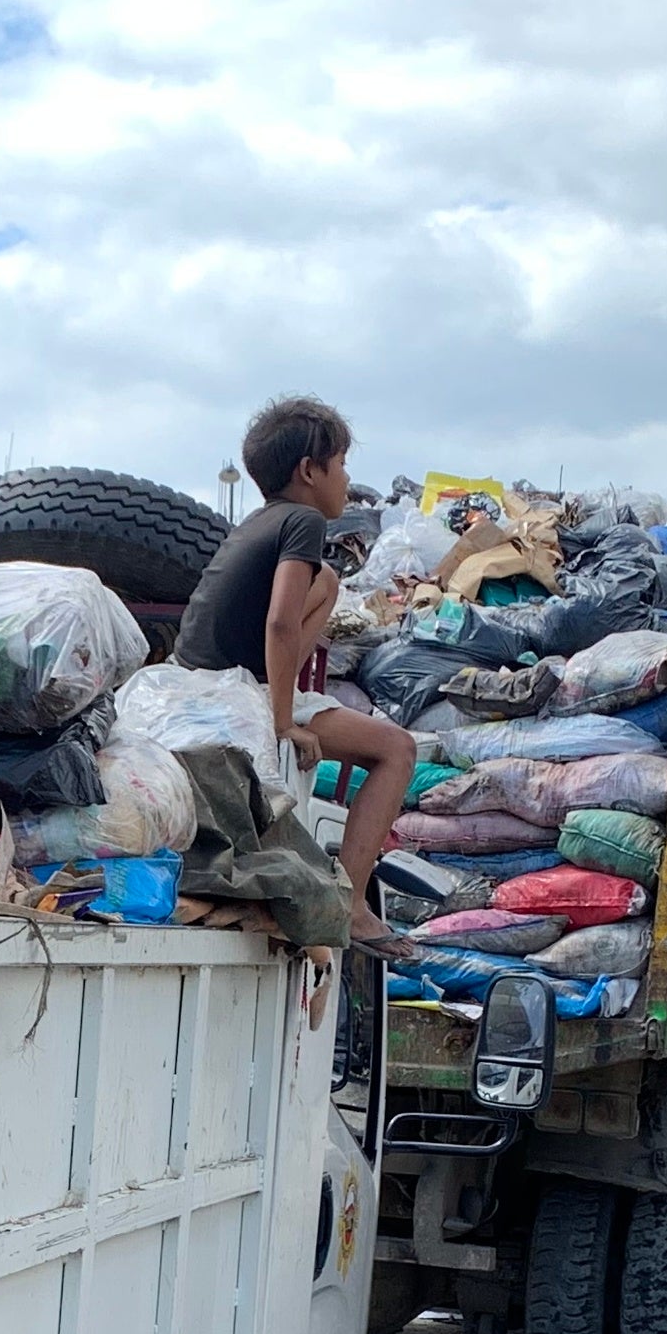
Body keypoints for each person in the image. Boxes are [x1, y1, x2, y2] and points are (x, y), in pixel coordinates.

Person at [173, 397, 415, 941]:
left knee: (326, 581)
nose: (349, 480)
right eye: (343, 464)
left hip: (196, 680)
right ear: (310, 470)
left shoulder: (258, 522)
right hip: (234, 691)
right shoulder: (304, 520)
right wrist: (281, 722)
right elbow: (281, 623)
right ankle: (349, 905)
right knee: (397, 749)